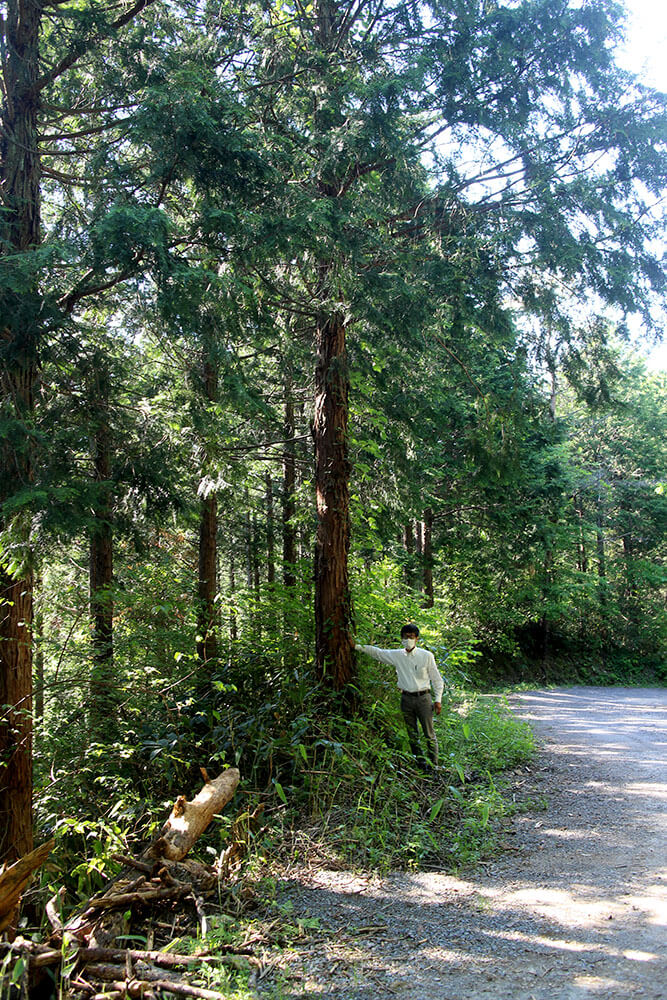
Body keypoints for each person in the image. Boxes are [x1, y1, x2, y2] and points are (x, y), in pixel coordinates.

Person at [350, 624, 444, 770]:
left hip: (424, 698)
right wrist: (356, 646)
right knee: (412, 734)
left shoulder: (426, 656)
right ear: (401, 638)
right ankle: (420, 764)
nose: (408, 640)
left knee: (429, 734)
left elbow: (437, 679)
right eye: (405, 637)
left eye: (411, 637)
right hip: (406, 699)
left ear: (417, 638)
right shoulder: (397, 656)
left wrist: (438, 700)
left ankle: (434, 766)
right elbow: (378, 653)